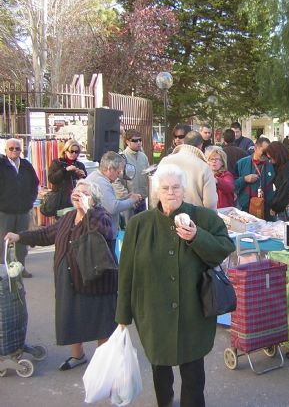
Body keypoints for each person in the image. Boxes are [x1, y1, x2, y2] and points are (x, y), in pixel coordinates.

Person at [115, 164, 235, 407]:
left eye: (176, 187)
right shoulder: (139, 224)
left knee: (193, 372)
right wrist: (123, 316)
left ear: (184, 189)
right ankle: (166, 402)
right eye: (165, 187)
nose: (171, 192)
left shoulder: (203, 218)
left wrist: (196, 236)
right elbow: (126, 272)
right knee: (160, 368)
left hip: (194, 311)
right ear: (157, 191)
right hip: (153, 312)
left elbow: (224, 248)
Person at [5, 180, 118, 370]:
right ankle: (78, 355)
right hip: (69, 278)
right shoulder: (68, 217)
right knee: (72, 316)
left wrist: (87, 210)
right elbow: (47, 234)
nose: (78, 194)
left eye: (84, 192)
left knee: (101, 321)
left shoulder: (100, 215)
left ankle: (103, 363)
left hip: (96, 279)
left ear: (93, 199)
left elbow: (104, 231)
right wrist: (20, 236)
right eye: (77, 191)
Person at [0, 138, 39, 278]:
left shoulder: (26, 165)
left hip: (22, 211)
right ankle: (3, 271)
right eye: (11, 148)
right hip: (5, 211)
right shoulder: (1, 164)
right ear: (6, 151)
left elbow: (35, 184)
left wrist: (30, 201)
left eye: (17, 149)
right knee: (3, 242)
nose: (15, 151)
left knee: (22, 241)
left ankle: (21, 268)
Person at [157, 131, 218, 210]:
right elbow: (210, 202)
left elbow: (155, 191)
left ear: (184, 142)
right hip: (195, 217)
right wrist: (212, 220)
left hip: (167, 214)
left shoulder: (165, 161)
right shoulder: (204, 167)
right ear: (201, 145)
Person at [86, 151, 142, 238]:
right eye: (118, 172)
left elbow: (107, 203)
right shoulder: (101, 182)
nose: (118, 176)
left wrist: (126, 198)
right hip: (103, 234)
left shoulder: (96, 177)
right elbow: (113, 208)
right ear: (110, 168)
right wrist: (132, 200)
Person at [235, 137, 274, 219]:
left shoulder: (271, 165)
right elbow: (232, 184)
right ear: (255, 148)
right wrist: (244, 179)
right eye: (264, 151)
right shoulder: (241, 163)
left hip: (265, 209)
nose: (266, 155)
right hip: (245, 209)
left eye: (268, 152)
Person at [47, 139, 87, 214]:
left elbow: (85, 184)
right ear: (65, 151)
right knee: (62, 223)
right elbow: (52, 179)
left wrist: (82, 176)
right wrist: (65, 170)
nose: (74, 154)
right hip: (61, 201)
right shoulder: (57, 163)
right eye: (71, 151)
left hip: (76, 200)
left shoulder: (80, 165)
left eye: (76, 152)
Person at [118, 129, 150, 216]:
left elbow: (147, 176)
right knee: (130, 228)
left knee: (143, 228)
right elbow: (117, 182)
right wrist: (128, 197)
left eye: (140, 140)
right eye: (135, 140)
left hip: (142, 200)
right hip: (128, 201)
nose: (139, 142)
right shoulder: (122, 158)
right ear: (127, 142)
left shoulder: (144, 157)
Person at [266, 141, 289, 220]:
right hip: (283, 206)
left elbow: (285, 190)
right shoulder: (283, 166)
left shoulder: (287, 168)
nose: (269, 161)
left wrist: (275, 207)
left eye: (270, 158)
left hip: (284, 207)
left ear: (276, 155)